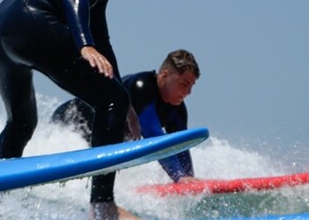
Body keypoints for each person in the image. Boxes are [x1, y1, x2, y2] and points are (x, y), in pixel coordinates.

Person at [0, 0, 164, 220]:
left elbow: (103, 41)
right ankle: (103, 205)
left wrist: (124, 100)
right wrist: (84, 45)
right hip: (32, 24)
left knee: (22, 123)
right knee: (110, 100)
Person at [51, 49, 201, 183]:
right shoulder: (142, 87)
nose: (189, 92)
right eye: (184, 84)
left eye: (191, 86)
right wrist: (180, 177)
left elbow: (181, 148)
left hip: (96, 139)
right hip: (71, 119)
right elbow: (153, 136)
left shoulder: (177, 110)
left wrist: (189, 179)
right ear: (164, 75)